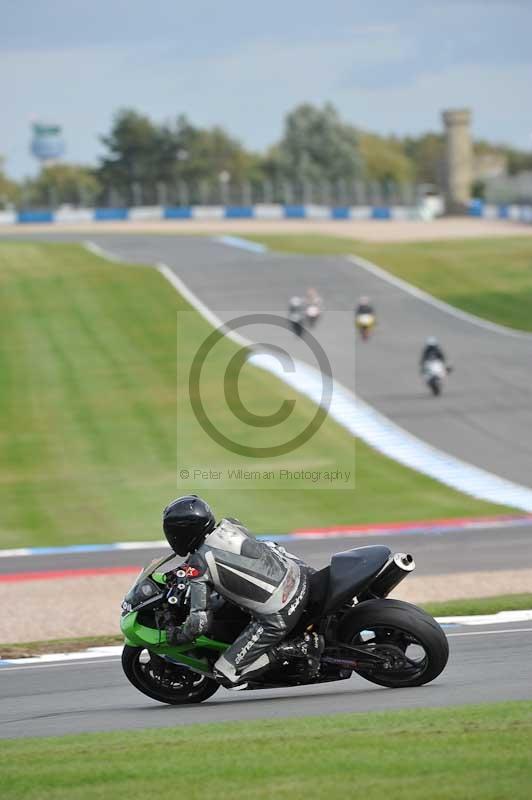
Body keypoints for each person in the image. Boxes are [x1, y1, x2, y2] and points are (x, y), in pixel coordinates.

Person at [162, 495, 323, 687]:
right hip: (299, 575)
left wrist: (177, 636)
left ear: (182, 533)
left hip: (279, 613)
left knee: (225, 675)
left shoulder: (200, 564)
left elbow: (200, 623)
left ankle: (297, 647)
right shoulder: (230, 525)